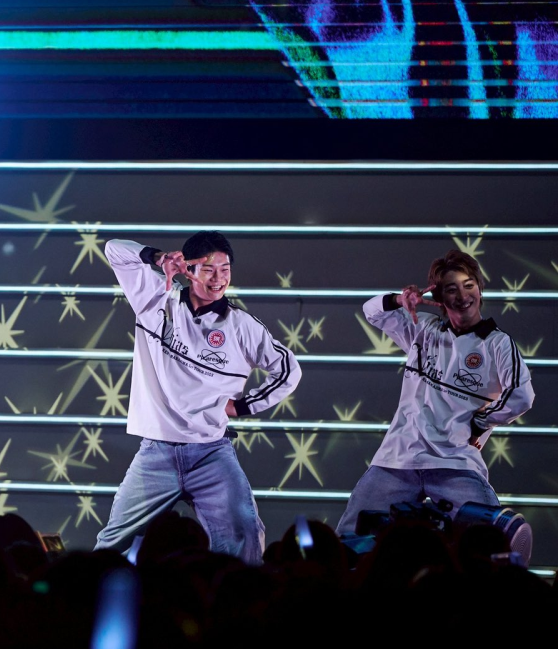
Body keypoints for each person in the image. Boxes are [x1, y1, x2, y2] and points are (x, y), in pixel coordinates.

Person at [96, 232, 302, 565]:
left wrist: (244, 406)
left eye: (225, 268)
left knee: (245, 537)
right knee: (110, 543)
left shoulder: (242, 326)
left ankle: (241, 613)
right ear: (188, 269)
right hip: (156, 453)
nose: (219, 278)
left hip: (211, 452)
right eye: (208, 269)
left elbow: (288, 370)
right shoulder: (154, 297)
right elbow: (114, 250)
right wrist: (158, 258)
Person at [336, 251, 534, 534]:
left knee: (492, 540)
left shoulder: (498, 344)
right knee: (351, 539)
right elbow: (372, 310)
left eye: (469, 285)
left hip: (455, 463)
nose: (463, 295)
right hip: (397, 459)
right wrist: (399, 300)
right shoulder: (423, 329)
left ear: (479, 288)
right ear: (439, 297)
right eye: (451, 289)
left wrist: (480, 423)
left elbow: (522, 395)